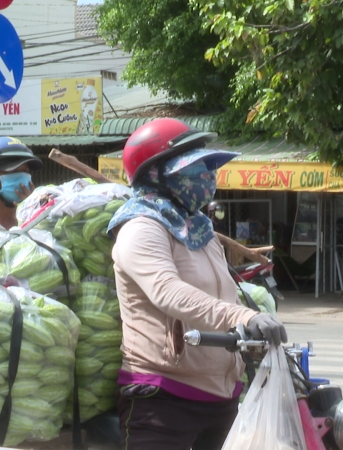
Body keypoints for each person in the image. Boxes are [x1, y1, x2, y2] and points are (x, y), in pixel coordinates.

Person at [108, 118, 287, 450]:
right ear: (155, 174)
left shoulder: (200, 229)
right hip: (163, 398)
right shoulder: (141, 227)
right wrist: (242, 318)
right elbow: (167, 290)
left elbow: (222, 292)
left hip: (223, 397)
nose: (207, 177)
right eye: (192, 169)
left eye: (208, 166)